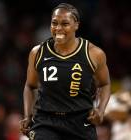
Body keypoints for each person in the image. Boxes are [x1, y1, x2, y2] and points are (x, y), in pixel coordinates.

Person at [19, 3, 111, 140]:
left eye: (65, 24)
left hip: (80, 121)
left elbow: (104, 84)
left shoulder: (94, 54)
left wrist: (100, 110)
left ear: (76, 25)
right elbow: (30, 86)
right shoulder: (37, 52)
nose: (58, 28)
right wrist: (27, 115)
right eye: (54, 23)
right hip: (46, 121)